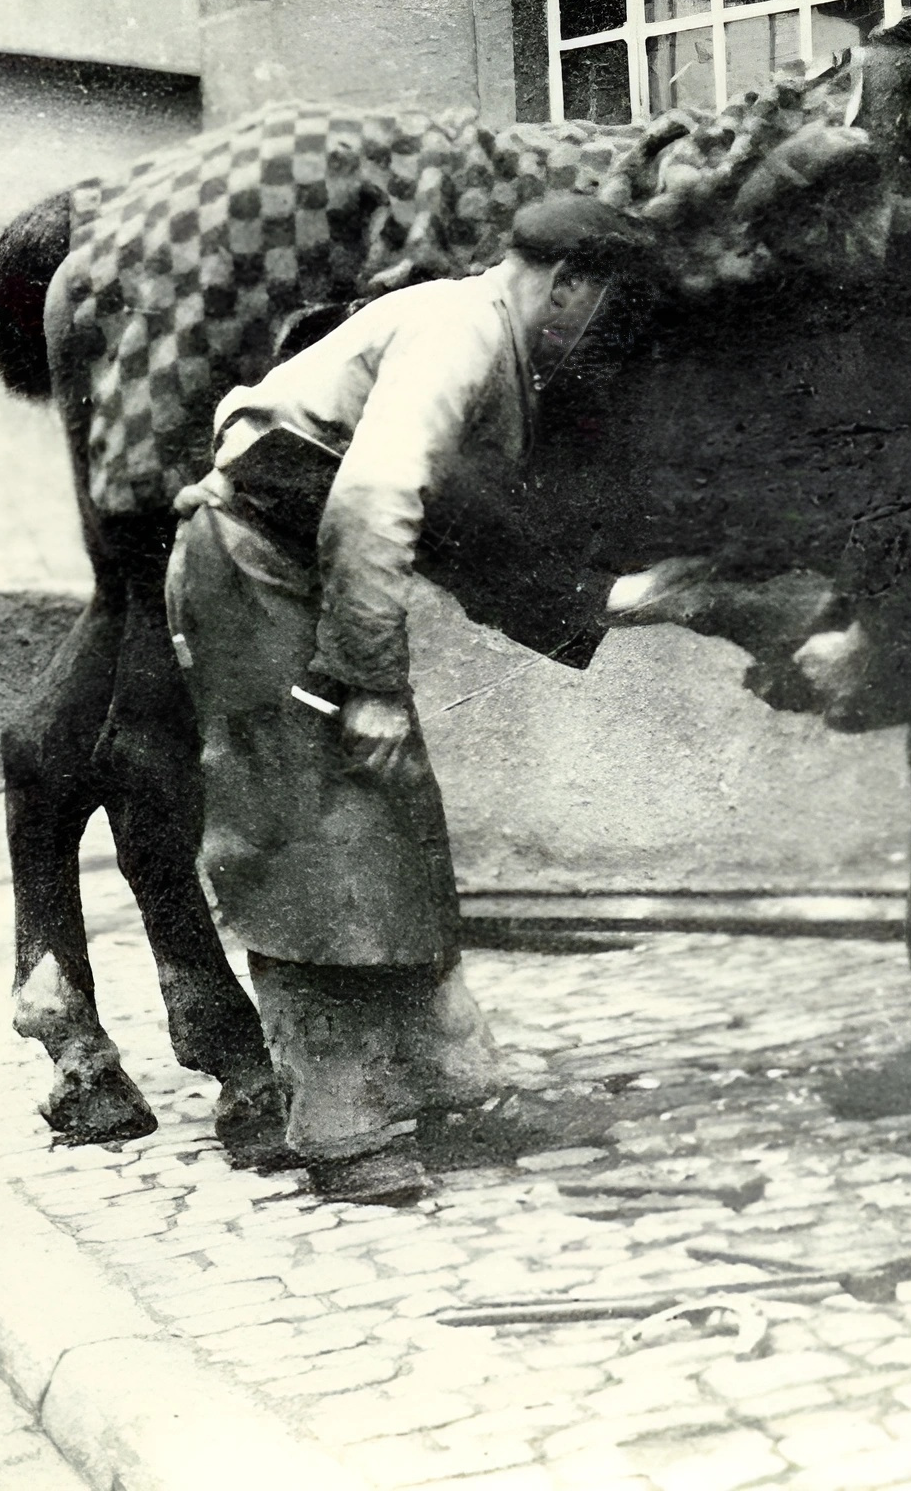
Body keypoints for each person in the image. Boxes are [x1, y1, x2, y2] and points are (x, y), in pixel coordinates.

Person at [165, 193, 657, 1205]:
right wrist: (371, 684)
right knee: (308, 837)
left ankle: (453, 1093)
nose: (596, 335)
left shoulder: (480, 336)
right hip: (255, 564)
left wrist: (604, 602)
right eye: (603, 307)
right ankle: (339, 1129)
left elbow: (452, 529)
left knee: (393, 821)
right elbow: (373, 498)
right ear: (568, 285)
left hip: (303, 565)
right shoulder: (458, 331)